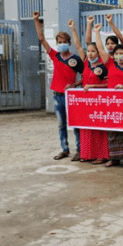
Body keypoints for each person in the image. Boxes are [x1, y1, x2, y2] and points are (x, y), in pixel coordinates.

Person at [33, 11, 84, 161]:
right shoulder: (55, 56)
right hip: (57, 96)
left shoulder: (76, 59)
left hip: (71, 96)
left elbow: (86, 77)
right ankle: (65, 149)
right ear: (57, 44)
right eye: (59, 42)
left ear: (69, 43)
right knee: (61, 125)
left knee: (75, 125)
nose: (62, 44)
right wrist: (36, 20)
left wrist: (75, 84)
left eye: (64, 42)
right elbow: (41, 39)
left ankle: (79, 150)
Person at [94, 23, 123, 167]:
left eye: (122, 53)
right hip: (112, 103)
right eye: (117, 53)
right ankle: (113, 158)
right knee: (112, 131)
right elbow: (101, 49)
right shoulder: (110, 65)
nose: (119, 55)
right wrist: (97, 32)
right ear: (113, 56)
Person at [80, 16, 110, 165]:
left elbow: (108, 85)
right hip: (86, 102)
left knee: (99, 129)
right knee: (86, 127)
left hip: (100, 102)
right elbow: (85, 41)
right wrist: (89, 24)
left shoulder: (104, 66)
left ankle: (101, 155)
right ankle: (88, 153)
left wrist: (93, 87)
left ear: (98, 52)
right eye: (89, 51)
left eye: (93, 51)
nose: (90, 53)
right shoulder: (86, 64)